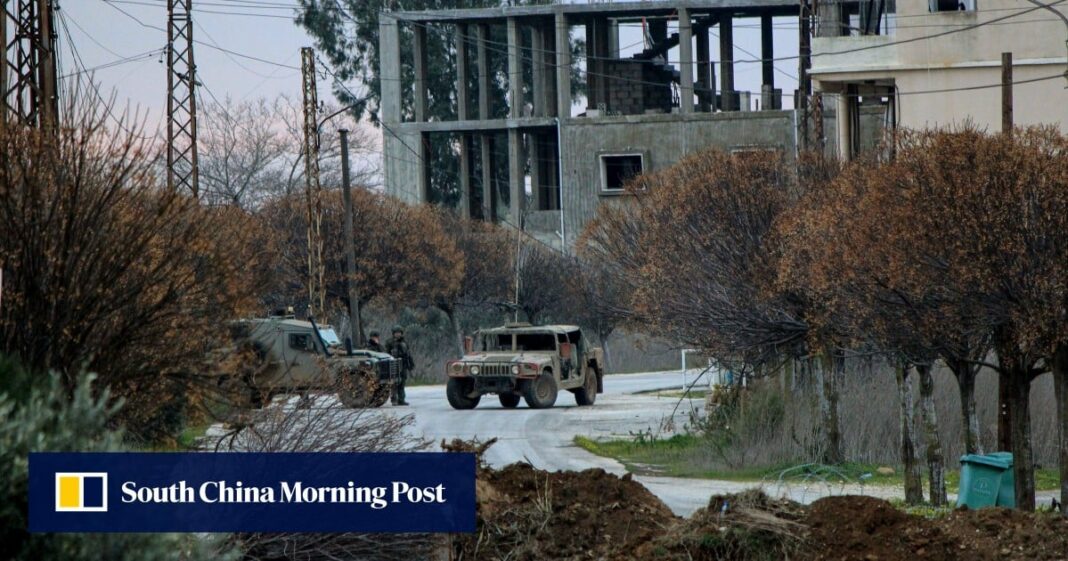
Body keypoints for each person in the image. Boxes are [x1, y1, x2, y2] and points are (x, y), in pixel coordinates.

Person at [387, 325, 413, 406]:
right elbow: (386, 353)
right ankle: (394, 399)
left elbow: (408, 354)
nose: (398, 334)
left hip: (403, 364)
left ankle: (401, 399)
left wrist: (410, 363)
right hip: (393, 364)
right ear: (393, 333)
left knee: (402, 382)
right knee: (394, 382)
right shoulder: (390, 342)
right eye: (396, 333)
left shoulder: (404, 342)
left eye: (399, 333)